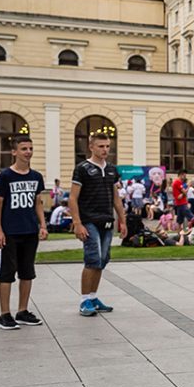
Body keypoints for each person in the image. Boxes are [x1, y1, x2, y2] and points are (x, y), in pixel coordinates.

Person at [0, 135, 47, 329]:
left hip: (30, 231)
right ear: (14, 152)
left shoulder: (36, 176)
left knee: (27, 272)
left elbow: (38, 202)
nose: (28, 152)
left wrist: (43, 225)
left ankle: (22, 311)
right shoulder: (6, 176)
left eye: (30, 148)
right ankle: (4, 315)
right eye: (24, 149)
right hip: (10, 232)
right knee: (6, 273)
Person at [68, 131, 127, 317]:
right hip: (89, 220)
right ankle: (84, 300)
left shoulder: (111, 169)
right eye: (101, 146)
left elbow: (116, 198)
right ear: (91, 147)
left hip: (106, 220)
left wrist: (123, 221)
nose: (105, 150)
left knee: (103, 259)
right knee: (93, 258)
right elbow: (72, 197)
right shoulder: (83, 168)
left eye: (108, 146)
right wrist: (77, 223)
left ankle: (93, 297)